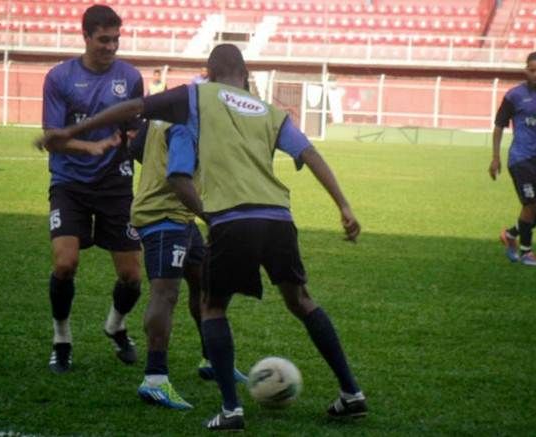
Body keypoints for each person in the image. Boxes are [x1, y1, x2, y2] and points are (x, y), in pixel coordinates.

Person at [38, 43, 367, 431]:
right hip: (278, 217)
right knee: (301, 300)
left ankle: (231, 409)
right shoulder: (268, 111)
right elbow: (310, 154)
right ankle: (351, 392)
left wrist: (75, 129)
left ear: (209, 74)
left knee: (213, 306)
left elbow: (134, 110)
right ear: (245, 76)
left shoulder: (196, 96)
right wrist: (344, 206)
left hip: (231, 218)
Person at [40, 5, 144, 373]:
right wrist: (92, 147)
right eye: (104, 39)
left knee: (132, 277)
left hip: (116, 184)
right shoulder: (59, 78)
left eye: (116, 39)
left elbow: (134, 128)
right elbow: (53, 138)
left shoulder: (131, 77)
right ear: (85, 36)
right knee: (65, 264)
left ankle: (115, 326)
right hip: (70, 183)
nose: (111, 46)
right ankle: (61, 340)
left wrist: (134, 137)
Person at [128, 120, 247, 410]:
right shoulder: (185, 123)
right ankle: (155, 380)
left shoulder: (169, 114)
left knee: (205, 281)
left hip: (181, 217)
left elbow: (135, 146)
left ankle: (211, 360)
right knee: (165, 293)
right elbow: (177, 178)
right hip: (163, 217)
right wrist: (212, 217)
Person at [489, 51, 536, 266]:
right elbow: (499, 126)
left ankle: (511, 234)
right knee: (530, 203)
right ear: (526, 70)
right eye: (532, 70)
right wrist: (495, 157)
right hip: (521, 158)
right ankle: (526, 252)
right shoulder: (514, 96)